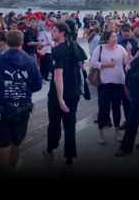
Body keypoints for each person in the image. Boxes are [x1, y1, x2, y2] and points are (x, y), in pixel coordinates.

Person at [0, 30, 43, 178]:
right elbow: (38, 85)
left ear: (7, 43)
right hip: (22, 107)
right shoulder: (30, 61)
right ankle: (13, 166)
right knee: (16, 140)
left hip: (1, 108)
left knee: (3, 146)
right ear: (22, 43)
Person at [43, 21, 83, 174]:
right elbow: (81, 63)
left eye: (53, 30)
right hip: (74, 91)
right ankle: (69, 159)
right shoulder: (73, 44)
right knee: (70, 124)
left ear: (62, 33)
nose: (51, 32)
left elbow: (58, 76)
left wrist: (60, 99)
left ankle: (50, 150)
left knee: (54, 123)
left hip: (59, 93)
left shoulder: (57, 51)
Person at [90, 29, 130, 145]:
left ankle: (117, 132)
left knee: (117, 108)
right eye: (113, 37)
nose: (115, 38)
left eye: (116, 37)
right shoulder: (100, 48)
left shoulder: (121, 48)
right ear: (107, 39)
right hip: (104, 84)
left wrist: (128, 51)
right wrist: (105, 65)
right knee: (103, 109)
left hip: (119, 83)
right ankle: (100, 132)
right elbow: (93, 63)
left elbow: (127, 62)